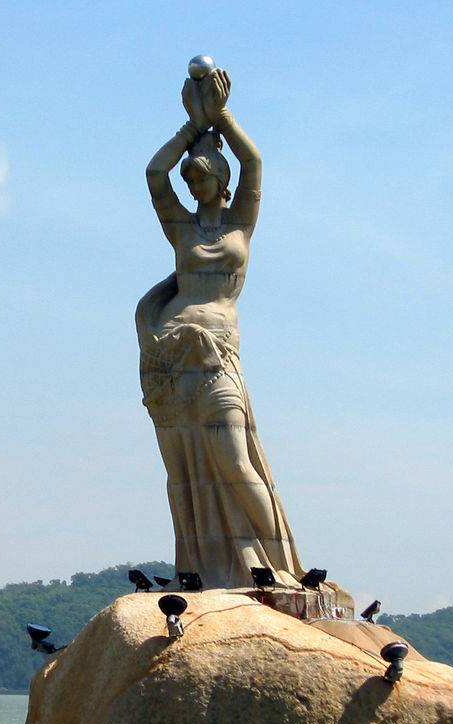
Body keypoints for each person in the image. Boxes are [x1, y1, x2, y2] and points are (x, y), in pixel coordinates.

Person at [136, 67, 306, 590]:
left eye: (201, 176)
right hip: (170, 360)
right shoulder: (181, 226)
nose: (191, 183)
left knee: (235, 461)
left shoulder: (241, 223)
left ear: (222, 180)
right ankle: (202, 571)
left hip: (216, 360)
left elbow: (254, 161)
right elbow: (153, 174)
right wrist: (192, 127)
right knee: (183, 474)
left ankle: (282, 570)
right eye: (189, 178)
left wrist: (220, 118)